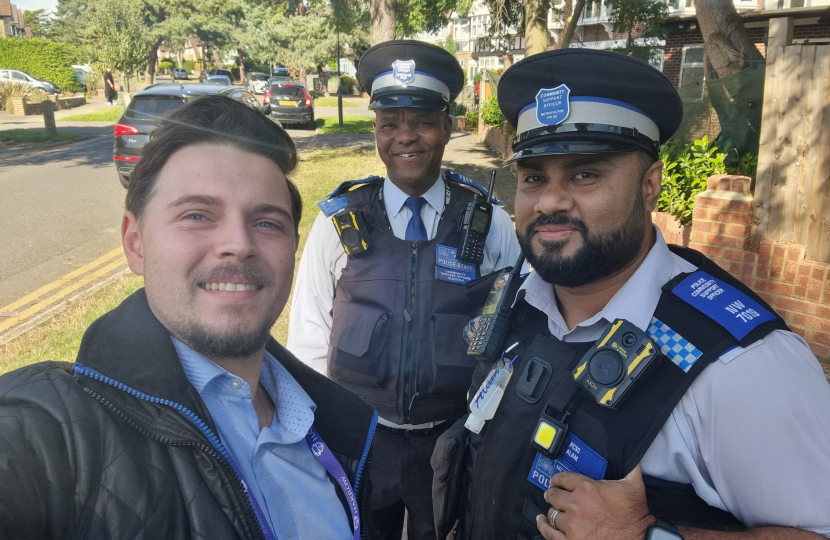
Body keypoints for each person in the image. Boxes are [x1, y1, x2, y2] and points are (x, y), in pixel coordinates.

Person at [432, 49, 830, 540]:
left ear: (649, 186)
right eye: (535, 176)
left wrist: (649, 537)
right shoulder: (516, 301)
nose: (550, 200)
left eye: (584, 174)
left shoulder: (741, 367)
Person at [0, 95, 377, 540]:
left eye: (267, 222)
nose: (238, 243)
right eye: (197, 215)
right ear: (136, 242)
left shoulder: (339, 424)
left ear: (293, 247)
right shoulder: (50, 433)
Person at [287, 40, 521, 540]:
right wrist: (317, 436)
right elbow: (308, 338)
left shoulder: (490, 224)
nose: (405, 137)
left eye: (422, 121)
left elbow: (518, 335)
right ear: (375, 130)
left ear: (448, 127)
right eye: (389, 122)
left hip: (450, 441)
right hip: (360, 441)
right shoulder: (339, 224)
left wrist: (483, 430)